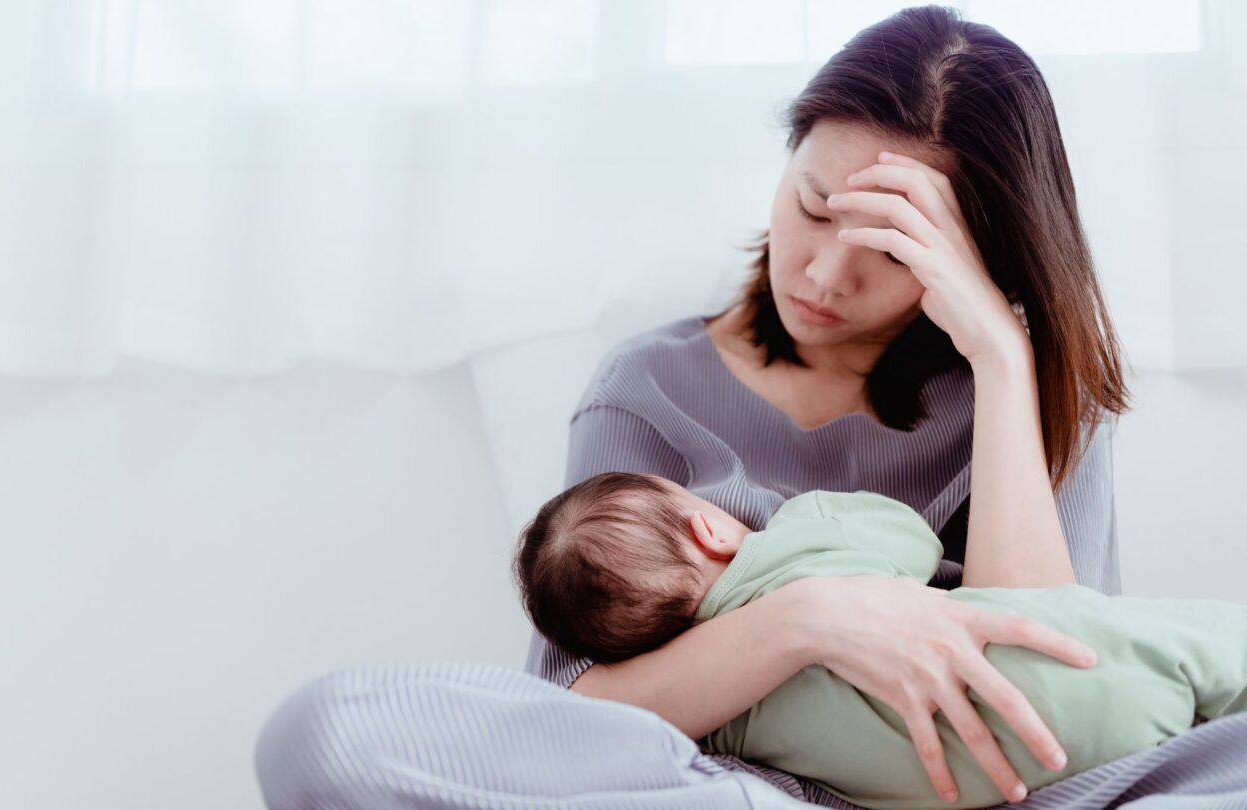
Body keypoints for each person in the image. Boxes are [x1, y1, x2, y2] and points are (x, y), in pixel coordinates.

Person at [256, 7, 1247, 808]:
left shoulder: (1022, 388)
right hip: (739, 784)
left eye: (894, 251)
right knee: (330, 728)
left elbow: (1055, 675)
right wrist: (814, 617)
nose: (821, 273)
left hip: (1021, 785)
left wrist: (999, 359)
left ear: (978, 254)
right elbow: (566, 712)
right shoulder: (648, 390)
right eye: (812, 205)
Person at [514, 471, 1247, 810]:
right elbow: (913, 540)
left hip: (1035, 775)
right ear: (709, 525)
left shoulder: (720, 719)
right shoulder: (800, 542)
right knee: (1203, 641)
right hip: (1079, 666)